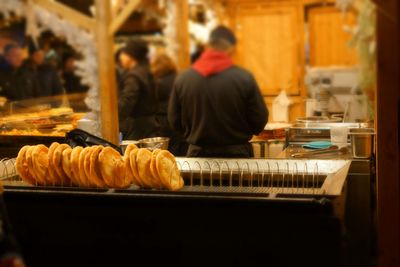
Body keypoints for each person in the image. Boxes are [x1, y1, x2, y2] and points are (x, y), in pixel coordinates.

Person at [168, 25, 269, 158]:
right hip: (238, 157)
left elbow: (174, 120)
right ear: (231, 49)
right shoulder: (244, 78)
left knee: (198, 181)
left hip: (197, 156)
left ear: (207, 46)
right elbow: (259, 120)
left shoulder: (183, 79)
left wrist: (193, 132)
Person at [118, 39, 159, 140]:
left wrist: (113, 119)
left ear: (131, 56)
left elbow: (127, 102)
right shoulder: (146, 70)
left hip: (137, 128)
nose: (121, 57)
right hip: (151, 125)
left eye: (123, 53)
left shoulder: (133, 76)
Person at [151, 53, 188, 156]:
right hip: (181, 121)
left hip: (164, 120)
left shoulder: (158, 83)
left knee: (169, 152)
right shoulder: (179, 78)